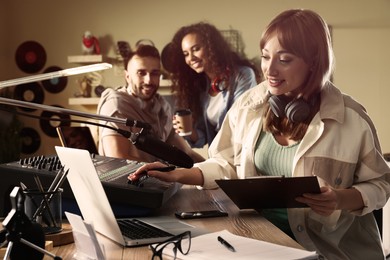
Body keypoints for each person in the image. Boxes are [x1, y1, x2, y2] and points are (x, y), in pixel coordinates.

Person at [130, 9, 390, 259]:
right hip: (262, 244)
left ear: (313, 62)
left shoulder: (352, 119)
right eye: (266, 56)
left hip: (331, 252)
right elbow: (226, 164)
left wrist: (341, 199)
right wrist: (177, 174)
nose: (270, 70)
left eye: (284, 59)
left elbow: (380, 184)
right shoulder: (249, 105)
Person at [97, 44, 204, 163]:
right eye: (141, 73)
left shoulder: (162, 107)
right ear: (127, 76)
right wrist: (168, 172)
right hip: (126, 181)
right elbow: (118, 159)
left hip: (159, 179)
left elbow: (186, 154)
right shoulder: (116, 106)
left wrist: (215, 171)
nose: (148, 80)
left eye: (154, 73)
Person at [165, 22, 260, 148]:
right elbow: (202, 138)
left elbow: (241, 122)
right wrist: (189, 131)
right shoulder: (202, 86)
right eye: (186, 54)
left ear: (212, 47)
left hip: (242, 153)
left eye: (196, 49)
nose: (191, 58)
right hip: (219, 159)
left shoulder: (242, 75)